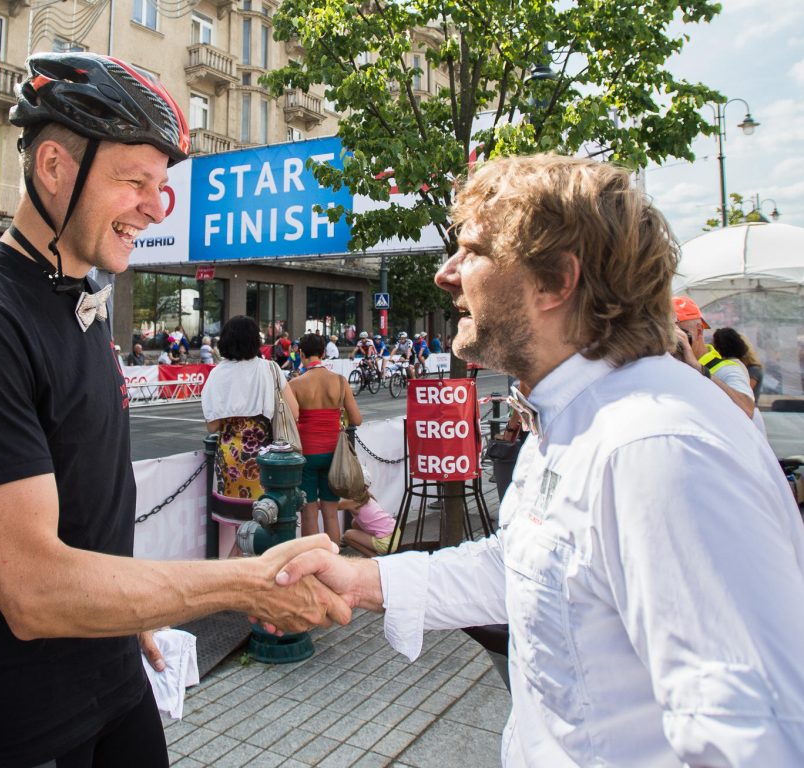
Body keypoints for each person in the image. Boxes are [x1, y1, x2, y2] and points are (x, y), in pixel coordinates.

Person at [270, 155, 804, 765]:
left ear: (556, 281)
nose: (447, 274)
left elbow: (754, 739)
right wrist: (366, 579)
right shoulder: (574, 416)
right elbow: (528, 568)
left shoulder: (657, 449)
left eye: (471, 249)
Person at [0, 53, 348, 768]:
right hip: (15, 726)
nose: (155, 206)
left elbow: (86, 495)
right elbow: (34, 589)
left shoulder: (78, 300)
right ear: (53, 166)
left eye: (162, 186)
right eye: (133, 182)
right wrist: (242, 583)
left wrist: (133, 611)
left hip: (111, 676)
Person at [202, 315, 300, 502]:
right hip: (266, 456)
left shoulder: (216, 374)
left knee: (236, 515)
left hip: (230, 455)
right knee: (266, 514)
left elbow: (212, 426)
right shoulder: (270, 368)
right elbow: (294, 411)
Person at [287, 333, 362, 542]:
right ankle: (334, 561)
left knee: (308, 513)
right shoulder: (339, 380)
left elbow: (290, 421)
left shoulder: (295, 384)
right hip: (333, 454)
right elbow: (356, 419)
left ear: (301, 353)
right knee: (331, 513)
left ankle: (310, 564)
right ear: (323, 353)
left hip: (306, 453)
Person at [673, 296, 755, 420]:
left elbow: (747, 410)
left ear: (699, 330)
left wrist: (699, 368)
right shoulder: (667, 366)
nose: (673, 341)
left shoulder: (725, 369)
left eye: (680, 333)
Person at [712, 326, 768, 436]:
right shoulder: (737, 364)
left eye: (714, 344)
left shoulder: (732, 366)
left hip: (748, 415)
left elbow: (745, 394)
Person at [340, 467, 399, 558]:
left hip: (386, 543)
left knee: (348, 535)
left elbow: (328, 506)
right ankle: (373, 550)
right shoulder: (367, 496)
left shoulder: (352, 502)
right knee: (355, 523)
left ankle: (374, 557)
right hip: (396, 534)